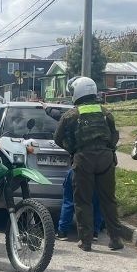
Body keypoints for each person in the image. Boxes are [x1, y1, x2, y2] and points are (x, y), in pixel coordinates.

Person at [53, 77, 125, 252]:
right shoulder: (105, 112)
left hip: (83, 159)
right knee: (108, 200)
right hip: (106, 159)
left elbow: (57, 138)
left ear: (77, 92)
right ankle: (116, 239)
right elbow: (114, 136)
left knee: (83, 201)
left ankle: (86, 242)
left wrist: (72, 149)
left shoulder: (71, 114)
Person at [44, 87, 102, 242]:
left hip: (80, 163)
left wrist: (70, 148)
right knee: (96, 199)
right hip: (100, 164)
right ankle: (95, 232)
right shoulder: (102, 115)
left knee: (70, 199)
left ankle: (62, 232)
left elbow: (60, 124)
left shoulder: (74, 115)